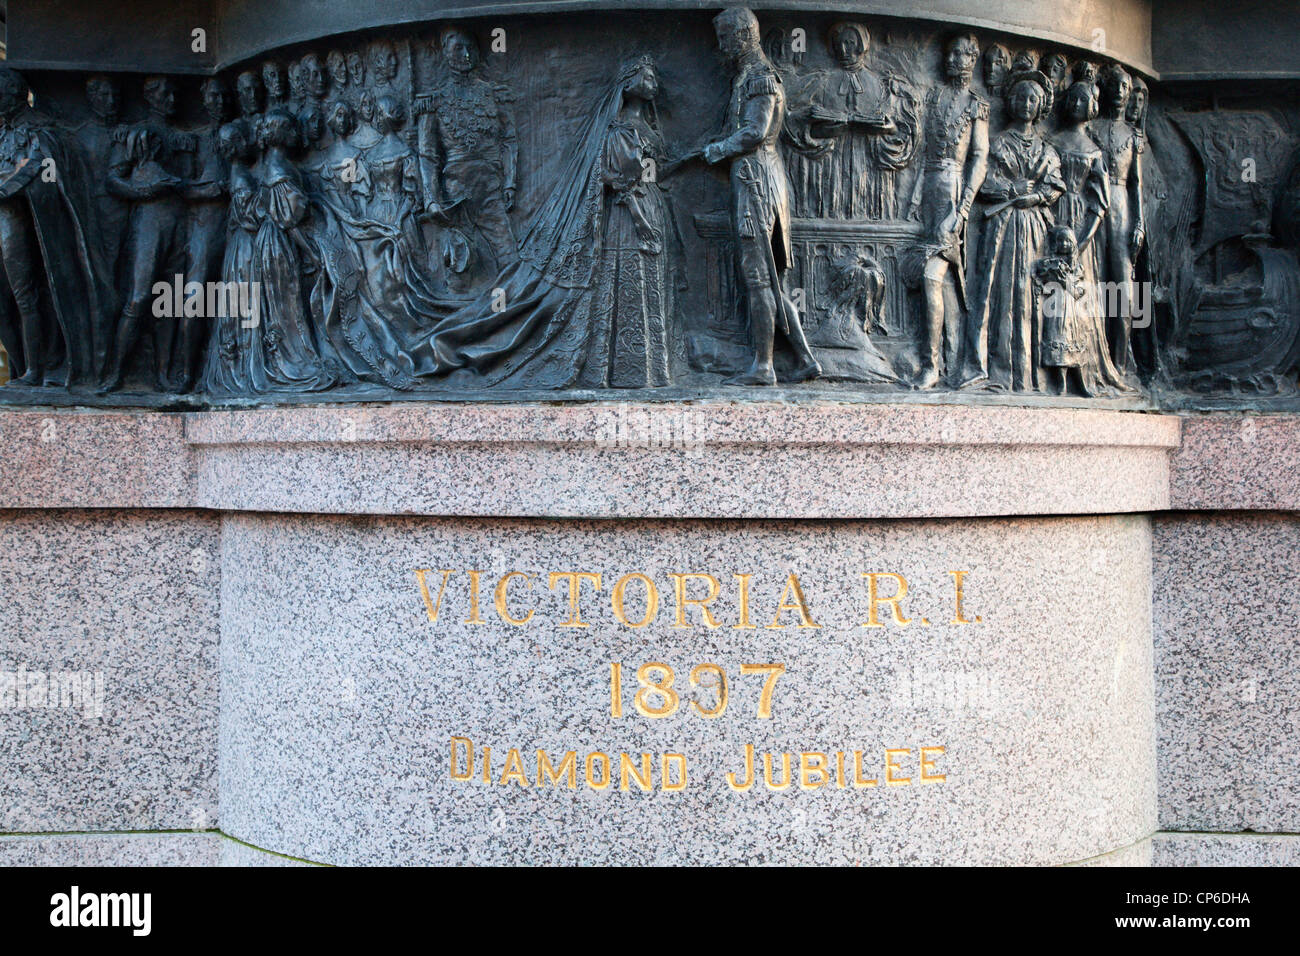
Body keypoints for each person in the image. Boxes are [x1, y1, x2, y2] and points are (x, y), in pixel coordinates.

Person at [408, 55, 679, 389]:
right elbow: (620, 181)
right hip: (628, 218)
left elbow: (651, 172)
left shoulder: (644, 128)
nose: (651, 80)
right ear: (626, 83)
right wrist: (639, 219)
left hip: (646, 212)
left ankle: (645, 371)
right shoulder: (618, 129)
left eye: (653, 75)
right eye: (643, 75)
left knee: (640, 288)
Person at [703, 6, 820, 386]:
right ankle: (804, 360)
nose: (721, 48)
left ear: (743, 36)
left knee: (758, 278)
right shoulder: (746, 78)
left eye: (724, 39)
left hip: (757, 184)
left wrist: (718, 150)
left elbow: (755, 131)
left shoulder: (760, 79)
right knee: (771, 281)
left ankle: (764, 367)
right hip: (753, 179)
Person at [956, 69, 1064, 392]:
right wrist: (1009, 189)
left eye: (1033, 98)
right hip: (1002, 229)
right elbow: (982, 181)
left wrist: (1035, 196)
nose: (1026, 104)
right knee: (1000, 293)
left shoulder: (1047, 150)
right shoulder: (998, 142)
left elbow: (1055, 185)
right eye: (1021, 97)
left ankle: (1032, 374)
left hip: (1034, 230)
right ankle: (999, 370)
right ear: (1011, 101)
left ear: (1041, 105)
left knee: (1031, 296)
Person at [906, 32, 989, 389]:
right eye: (950, 54)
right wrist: (913, 197)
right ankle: (956, 359)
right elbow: (923, 151)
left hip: (954, 194)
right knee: (943, 283)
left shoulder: (977, 104)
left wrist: (963, 209)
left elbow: (980, 158)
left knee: (932, 277)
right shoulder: (935, 95)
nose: (954, 60)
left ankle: (932, 365)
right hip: (928, 189)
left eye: (961, 55)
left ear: (973, 60)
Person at [1044, 72, 1132, 396]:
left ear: (1093, 106)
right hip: (1051, 219)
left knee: (1078, 296)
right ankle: (1051, 368)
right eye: (1073, 99)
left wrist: (1081, 242)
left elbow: (1099, 203)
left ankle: (1081, 365)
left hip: (1079, 227)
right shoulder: (1052, 141)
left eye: (1084, 100)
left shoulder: (1094, 152)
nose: (1077, 104)